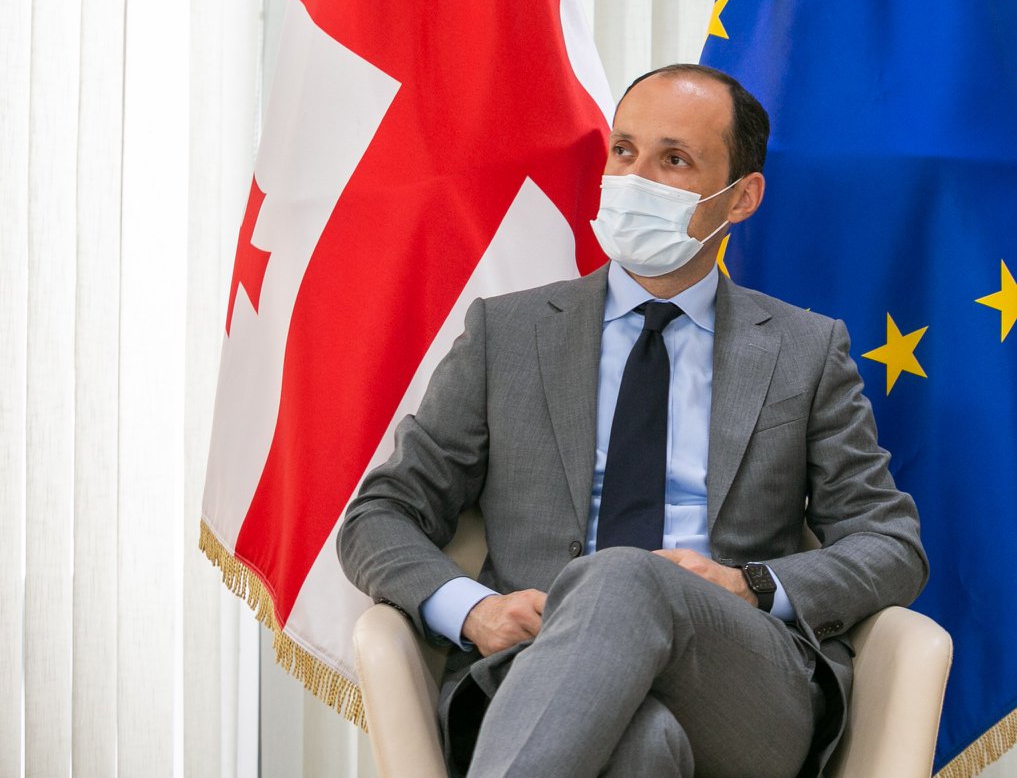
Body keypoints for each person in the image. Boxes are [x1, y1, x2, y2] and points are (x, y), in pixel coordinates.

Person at [339, 64, 927, 777]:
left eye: (673, 160)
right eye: (623, 151)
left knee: (624, 575)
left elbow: (891, 543)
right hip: (532, 672)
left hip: (744, 688)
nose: (634, 178)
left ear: (742, 197)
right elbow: (381, 514)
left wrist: (752, 585)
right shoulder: (508, 334)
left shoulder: (804, 350)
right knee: (641, 744)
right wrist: (472, 611)